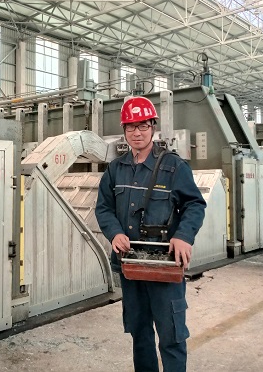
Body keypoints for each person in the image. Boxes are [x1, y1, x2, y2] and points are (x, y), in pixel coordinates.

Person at [95, 96, 206, 372]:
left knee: (171, 335)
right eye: (131, 127)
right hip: (131, 265)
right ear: (124, 130)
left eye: (143, 126)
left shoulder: (174, 167)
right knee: (140, 332)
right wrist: (114, 233)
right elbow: (104, 208)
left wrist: (184, 236)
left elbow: (194, 204)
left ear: (152, 127)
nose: (137, 132)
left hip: (164, 265)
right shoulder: (115, 169)